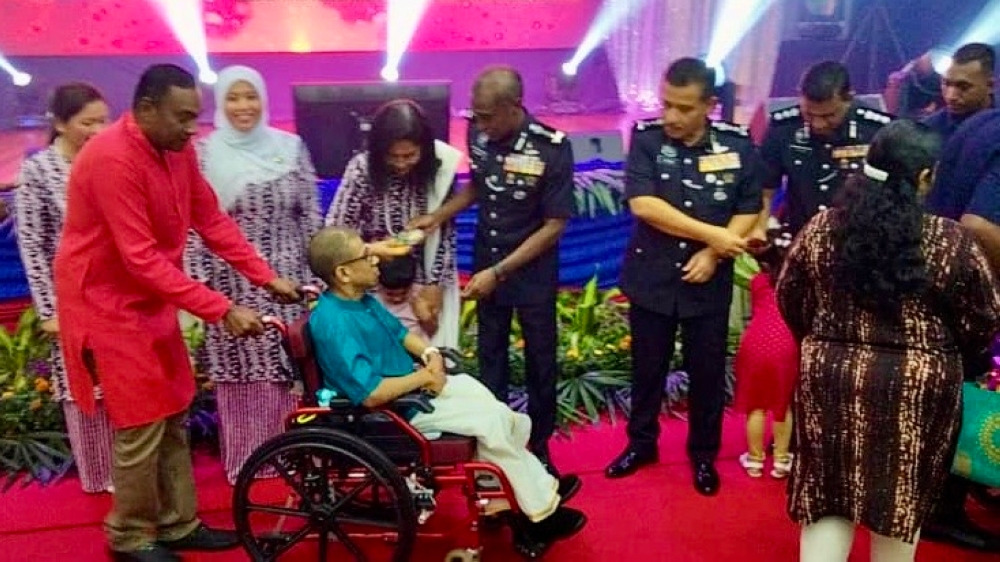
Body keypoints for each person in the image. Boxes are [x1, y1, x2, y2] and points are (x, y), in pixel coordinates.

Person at [52, 64, 303, 562]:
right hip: (106, 305)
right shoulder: (110, 158)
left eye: (195, 117)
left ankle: (177, 524)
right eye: (183, 118)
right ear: (146, 110)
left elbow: (209, 218)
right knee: (142, 422)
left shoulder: (175, 148)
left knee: (173, 412)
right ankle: (129, 535)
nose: (193, 129)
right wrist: (222, 309)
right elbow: (139, 257)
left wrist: (263, 275)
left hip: (148, 298)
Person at [774, 119, 1000, 562]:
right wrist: (949, 355)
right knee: (901, 500)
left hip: (831, 381)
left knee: (827, 496)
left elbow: (791, 296)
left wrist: (823, 341)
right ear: (923, 178)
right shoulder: (950, 241)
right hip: (917, 390)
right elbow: (983, 318)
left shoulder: (821, 229)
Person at [306, 226, 586, 554]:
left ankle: (524, 494)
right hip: (389, 413)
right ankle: (536, 514)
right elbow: (372, 394)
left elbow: (400, 335)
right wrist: (424, 378)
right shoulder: (334, 321)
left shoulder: (363, 301)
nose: (377, 259)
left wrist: (430, 353)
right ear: (343, 273)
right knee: (489, 421)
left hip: (411, 394)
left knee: (481, 396)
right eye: (367, 256)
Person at [603, 58, 762, 497]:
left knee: (706, 374)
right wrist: (713, 235)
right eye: (667, 103)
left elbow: (749, 207)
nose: (671, 116)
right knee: (647, 370)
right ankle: (641, 445)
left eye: (684, 108)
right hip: (652, 275)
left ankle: (704, 455)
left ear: (710, 105)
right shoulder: (648, 139)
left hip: (707, 281)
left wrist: (714, 253)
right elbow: (645, 206)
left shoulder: (737, 144)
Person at [407, 66, 574, 476]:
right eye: (475, 114)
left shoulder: (551, 146)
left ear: (513, 107)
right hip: (488, 263)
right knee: (490, 355)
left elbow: (554, 225)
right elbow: (479, 186)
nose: (478, 123)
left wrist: (498, 272)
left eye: (486, 115)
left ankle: (540, 444)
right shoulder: (478, 133)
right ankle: (495, 437)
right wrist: (437, 216)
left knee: (540, 360)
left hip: (530, 270)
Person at [191, 65, 322, 485]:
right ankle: (251, 464)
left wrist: (318, 276)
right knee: (241, 374)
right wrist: (198, 291)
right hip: (230, 284)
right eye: (233, 97)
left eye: (251, 96)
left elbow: (310, 215)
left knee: (288, 369)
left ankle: (296, 457)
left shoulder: (290, 147)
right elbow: (193, 226)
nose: (243, 105)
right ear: (220, 102)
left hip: (287, 280)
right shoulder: (204, 155)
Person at [14, 82, 113, 494]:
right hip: (70, 299)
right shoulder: (39, 170)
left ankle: (130, 472)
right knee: (83, 386)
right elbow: (32, 245)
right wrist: (50, 312)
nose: (97, 129)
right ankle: (99, 475)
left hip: (115, 296)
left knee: (120, 383)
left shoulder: (109, 162)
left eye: (103, 120)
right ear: (59, 123)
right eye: (87, 122)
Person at [921, 108, 1000, 552]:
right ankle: (942, 507)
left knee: (959, 392)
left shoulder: (979, 123)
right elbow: (981, 226)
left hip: (942, 279)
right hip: (974, 287)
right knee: (970, 392)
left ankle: (947, 496)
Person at [326, 99, 461, 348]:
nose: (401, 163)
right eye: (392, 156)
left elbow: (446, 234)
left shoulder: (439, 169)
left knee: (429, 362)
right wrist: (373, 251)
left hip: (422, 290)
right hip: (369, 286)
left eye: (409, 155)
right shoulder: (362, 171)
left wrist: (435, 286)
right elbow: (336, 233)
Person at [757, 60, 892, 238]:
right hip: (801, 236)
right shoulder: (783, 127)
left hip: (860, 242)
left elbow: (893, 195)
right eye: (809, 114)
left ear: (849, 99)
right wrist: (759, 230)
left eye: (829, 116)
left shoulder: (877, 130)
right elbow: (764, 190)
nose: (818, 124)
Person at [733, 227, 797, 480]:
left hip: (755, 342)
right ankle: (781, 461)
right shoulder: (793, 284)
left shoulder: (756, 281)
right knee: (783, 406)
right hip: (786, 344)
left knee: (756, 406)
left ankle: (755, 460)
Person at [922, 43, 995, 142]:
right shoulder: (926, 132)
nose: (951, 96)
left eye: (963, 87)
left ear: (990, 85)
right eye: (946, 84)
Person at [374, 253, 430, 341]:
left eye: (404, 293)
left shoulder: (417, 295)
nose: (398, 298)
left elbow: (432, 331)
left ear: (411, 285)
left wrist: (426, 318)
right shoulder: (373, 300)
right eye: (390, 294)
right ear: (379, 285)